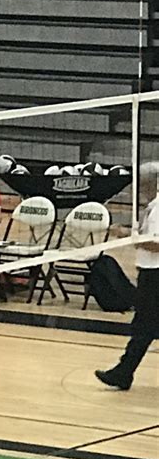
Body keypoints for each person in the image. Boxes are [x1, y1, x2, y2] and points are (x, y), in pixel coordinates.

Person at [95, 162, 159, 390]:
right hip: (150, 273)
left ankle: (123, 372)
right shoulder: (153, 206)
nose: (139, 187)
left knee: (144, 326)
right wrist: (127, 233)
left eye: (142, 183)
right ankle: (123, 372)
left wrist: (131, 238)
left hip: (155, 276)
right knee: (145, 326)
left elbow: (157, 243)